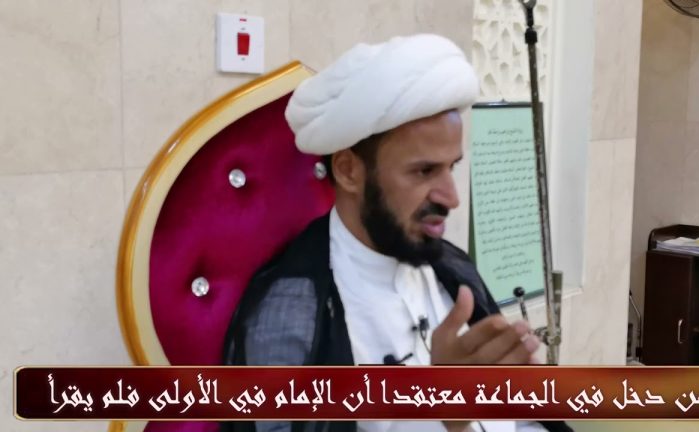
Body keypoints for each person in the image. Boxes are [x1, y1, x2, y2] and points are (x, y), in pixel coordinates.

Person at [223, 34, 571, 432]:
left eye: (451, 167)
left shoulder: (450, 267)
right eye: (424, 171)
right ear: (349, 171)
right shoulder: (289, 314)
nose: (452, 198)